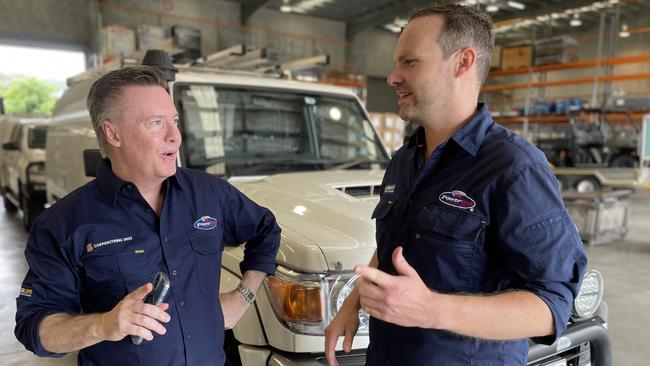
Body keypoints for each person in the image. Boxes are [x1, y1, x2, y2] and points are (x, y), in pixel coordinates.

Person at [324, 4, 587, 366]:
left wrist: (431, 309)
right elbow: (398, 245)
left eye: (410, 62)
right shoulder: (406, 158)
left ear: (462, 62)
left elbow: (552, 304)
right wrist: (352, 304)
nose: (392, 77)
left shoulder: (514, 168)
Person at [15, 66, 281, 365]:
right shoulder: (64, 224)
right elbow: (35, 327)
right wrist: (104, 325)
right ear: (112, 133)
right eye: (156, 123)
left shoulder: (210, 194)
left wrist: (243, 296)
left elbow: (266, 230)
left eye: (175, 121)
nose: (175, 136)